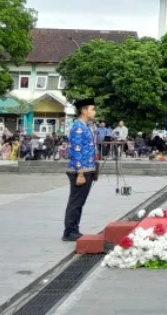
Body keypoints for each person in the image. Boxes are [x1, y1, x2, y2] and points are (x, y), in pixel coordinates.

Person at [63, 98, 98, 241]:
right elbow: (76, 151)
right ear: (84, 111)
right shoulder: (78, 127)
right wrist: (80, 173)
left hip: (87, 169)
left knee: (80, 202)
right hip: (79, 171)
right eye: (92, 109)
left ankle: (74, 229)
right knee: (76, 202)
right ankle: (69, 231)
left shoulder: (86, 126)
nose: (94, 112)